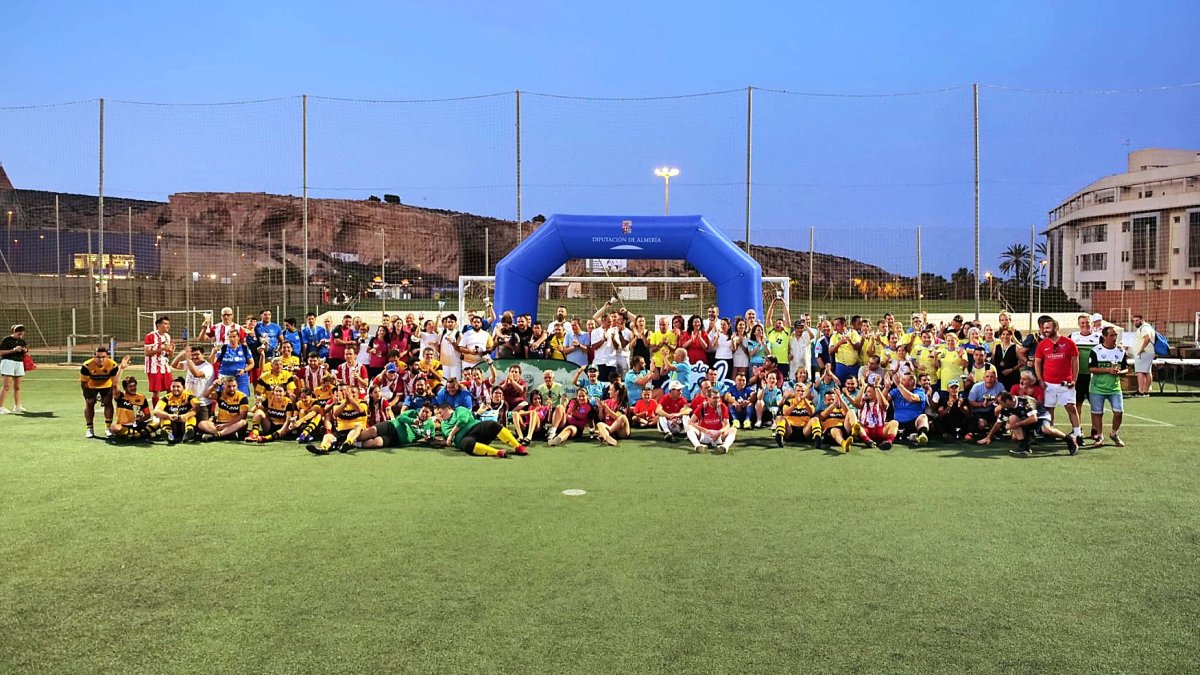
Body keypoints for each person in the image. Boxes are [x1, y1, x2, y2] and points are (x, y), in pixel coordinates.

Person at [1033, 318, 1082, 455]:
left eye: (1048, 328)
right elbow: (1037, 362)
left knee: (1071, 407)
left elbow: (1075, 362)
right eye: (1044, 328)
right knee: (1049, 409)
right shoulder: (1042, 344)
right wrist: (1040, 379)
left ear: (1056, 327)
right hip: (1048, 384)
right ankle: (1051, 432)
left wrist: (1074, 379)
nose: (1045, 330)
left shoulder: (1069, 342)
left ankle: (1078, 434)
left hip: (1065, 383)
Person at [977, 392, 1073, 457]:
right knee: (1012, 421)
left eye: (1001, 402)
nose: (1000, 405)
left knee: (1045, 430)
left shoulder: (1026, 401)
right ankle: (1024, 447)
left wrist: (1016, 425)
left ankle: (1069, 439)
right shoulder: (1006, 407)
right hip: (1025, 419)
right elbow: (998, 422)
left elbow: (1034, 418)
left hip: (1041, 416)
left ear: (1007, 401)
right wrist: (988, 437)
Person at [434, 402, 528, 457]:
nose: (440, 415)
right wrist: (435, 441)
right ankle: (498, 453)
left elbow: (462, 421)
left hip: (476, 427)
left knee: (492, 424)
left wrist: (451, 435)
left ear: (447, 409)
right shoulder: (443, 425)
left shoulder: (459, 410)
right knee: (467, 444)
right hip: (465, 439)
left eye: (440, 412)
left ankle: (518, 447)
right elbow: (447, 441)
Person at [1088, 326, 1128, 447]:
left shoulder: (1121, 351)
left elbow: (1126, 368)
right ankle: (1099, 436)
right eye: (1111, 335)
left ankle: (1114, 433)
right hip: (1097, 388)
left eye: (1115, 335)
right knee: (1097, 413)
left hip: (1114, 388)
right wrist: (1108, 370)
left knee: (1119, 412)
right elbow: (1091, 368)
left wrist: (1120, 372)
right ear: (1104, 337)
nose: (1114, 338)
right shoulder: (1096, 350)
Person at [306, 385, 368, 454]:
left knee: (358, 425)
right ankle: (323, 448)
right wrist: (345, 402)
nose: (351, 395)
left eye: (353, 392)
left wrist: (351, 400)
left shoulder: (362, 403)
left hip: (356, 432)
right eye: (349, 393)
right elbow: (335, 414)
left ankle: (348, 443)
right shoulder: (339, 403)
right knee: (327, 436)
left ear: (358, 394)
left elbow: (360, 410)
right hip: (341, 432)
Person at [355, 404, 437, 450]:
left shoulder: (430, 425)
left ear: (431, 414)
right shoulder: (413, 413)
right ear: (420, 411)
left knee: (377, 443)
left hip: (398, 440)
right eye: (423, 411)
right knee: (372, 431)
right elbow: (400, 417)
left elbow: (431, 438)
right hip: (392, 425)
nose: (424, 414)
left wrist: (429, 439)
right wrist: (412, 421)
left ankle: (355, 444)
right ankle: (350, 439)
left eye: (427, 412)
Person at [80, 346, 121, 438]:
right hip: (91, 385)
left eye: (103, 357)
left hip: (106, 385)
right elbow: (84, 383)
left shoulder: (113, 365)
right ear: (94, 357)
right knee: (90, 403)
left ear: (107, 357)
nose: (101, 359)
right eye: (98, 357)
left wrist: (115, 394)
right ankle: (89, 428)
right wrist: (88, 396)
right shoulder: (86, 365)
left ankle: (108, 428)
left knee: (108, 403)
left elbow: (114, 382)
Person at [172, 345, 215, 427]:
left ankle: (212, 419)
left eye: (197, 354)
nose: (195, 357)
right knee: (181, 425)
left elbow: (197, 374)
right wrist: (182, 354)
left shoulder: (208, 367)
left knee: (201, 427)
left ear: (203, 354)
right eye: (193, 355)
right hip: (188, 401)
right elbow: (174, 365)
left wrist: (188, 359)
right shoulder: (190, 363)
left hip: (202, 403)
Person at [108, 367, 153, 442]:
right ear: (125, 388)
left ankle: (133, 434)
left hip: (138, 425)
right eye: (130, 386)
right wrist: (121, 368)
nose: (133, 388)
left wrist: (140, 419)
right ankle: (139, 434)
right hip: (124, 425)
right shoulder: (120, 396)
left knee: (156, 421)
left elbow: (147, 415)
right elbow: (115, 385)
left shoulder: (141, 398)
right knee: (114, 428)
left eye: (134, 386)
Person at [198, 376, 250, 441]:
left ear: (237, 386)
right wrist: (214, 386)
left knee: (243, 422)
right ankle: (226, 434)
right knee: (201, 424)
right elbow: (206, 395)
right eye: (229, 386)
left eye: (234, 386)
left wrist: (226, 425)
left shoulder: (242, 397)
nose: (232, 388)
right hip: (220, 424)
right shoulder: (221, 394)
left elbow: (243, 416)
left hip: (233, 424)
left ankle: (220, 435)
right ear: (224, 386)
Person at [687, 386, 736, 454]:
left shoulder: (722, 406)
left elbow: (727, 424)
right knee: (689, 427)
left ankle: (724, 447)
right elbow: (690, 422)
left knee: (733, 429)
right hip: (704, 434)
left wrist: (719, 432)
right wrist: (705, 430)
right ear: (708, 398)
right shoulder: (702, 407)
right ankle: (698, 446)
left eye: (718, 397)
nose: (717, 400)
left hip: (718, 435)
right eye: (714, 398)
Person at [1069, 313, 1100, 420]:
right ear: (1078, 324)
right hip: (1078, 375)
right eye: (1082, 323)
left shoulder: (1099, 337)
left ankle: (1095, 430)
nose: (1085, 325)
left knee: (1095, 405)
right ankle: (1078, 429)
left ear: (1091, 323)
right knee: (1077, 403)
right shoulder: (1073, 337)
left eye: (1087, 322)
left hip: (1094, 376)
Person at [150, 376, 199, 444]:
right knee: (164, 417)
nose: (175, 389)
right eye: (173, 386)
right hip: (172, 425)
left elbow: (197, 407)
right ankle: (168, 434)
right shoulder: (166, 398)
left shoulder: (189, 396)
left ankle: (188, 432)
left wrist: (186, 416)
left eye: (178, 386)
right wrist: (169, 415)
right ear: (170, 387)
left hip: (184, 424)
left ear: (183, 388)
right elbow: (156, 411)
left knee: (191, 417)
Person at [889, 372, 931, 445]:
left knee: (923, 417)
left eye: (904, 379)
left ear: (912, 381)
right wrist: (886, 388)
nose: (901, 381)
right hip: (898, 422)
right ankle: (910, 436)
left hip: (914, 423)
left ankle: (922, 434)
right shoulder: (896, 391)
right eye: (901, 379)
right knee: (891, 423)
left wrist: (899, 385)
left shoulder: (919, 391)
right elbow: (884, 400)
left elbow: (911, 398)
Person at [211, 330, 254, 398]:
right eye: (230, 337)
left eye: (234, 336)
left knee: (242, 399)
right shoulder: (223, 348)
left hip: (241, 379)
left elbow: (252, 364)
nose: (232, 339)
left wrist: (244, 370)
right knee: (224, 401)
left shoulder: (244, 348)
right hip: (225, 379)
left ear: (238, 337)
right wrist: (213, 352)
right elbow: (213, 361)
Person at [773, 381, 816, 447]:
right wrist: (795, 404)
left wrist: (804, 400)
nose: (800, 393)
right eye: (798, 391)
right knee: (779, 418)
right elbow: (785, 413)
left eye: (802, 391)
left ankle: (818, 438)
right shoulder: (789, 402)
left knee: (815, 419)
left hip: (804, 431)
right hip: (790, 430)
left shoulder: (809, 402)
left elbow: (811, 413)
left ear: (805, 393)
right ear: (795, 392)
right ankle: (780, 437)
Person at [142, 316, 173, 407]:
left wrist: (171, 350)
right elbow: (147, 352)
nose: (168, 326)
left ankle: (169, 408)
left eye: (168, 324)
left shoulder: (168, 336)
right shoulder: (150, 336)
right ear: (159, 325)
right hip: (153, 367)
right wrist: (161, 348)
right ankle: (157, 411)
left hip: (165, 366)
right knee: (156, 391)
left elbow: (170, 355)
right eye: (165, 324)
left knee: (170, 388)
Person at [0, 324, 30, 414]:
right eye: (18, 334)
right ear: (14, 332)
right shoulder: (7, 340)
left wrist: (25, 351)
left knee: (17, 386)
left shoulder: (22, 341)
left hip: (19, 363)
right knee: (6, 386)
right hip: (8, 362)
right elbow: (1, 352)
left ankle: (17, 406)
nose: (20, 336)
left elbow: (26, 352)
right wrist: (14, 350)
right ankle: (0, 407)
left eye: (22, 334)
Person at [533, 369, 568, 440]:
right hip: (544, 410)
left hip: (556, 411)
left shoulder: (559, 386)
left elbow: (565, 398)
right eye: (546, 378)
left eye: (549, 377)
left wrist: (564, 406)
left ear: (553, 378)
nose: (547, 379)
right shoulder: (540, 388)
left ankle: (552, 431)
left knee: (560, 407)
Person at [1131, 314, 1156, 396]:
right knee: (1147, 371)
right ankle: (1145, 391)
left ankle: (1141, 391)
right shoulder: (1148, 327)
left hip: (1144, 352)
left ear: (1142, 320)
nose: (1135, 322)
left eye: (1137, 320)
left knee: (1140, 372)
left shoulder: (1144, 328)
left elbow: (1147, 338)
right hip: (1148, 352)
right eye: (1134, 321)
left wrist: (1141, 349)